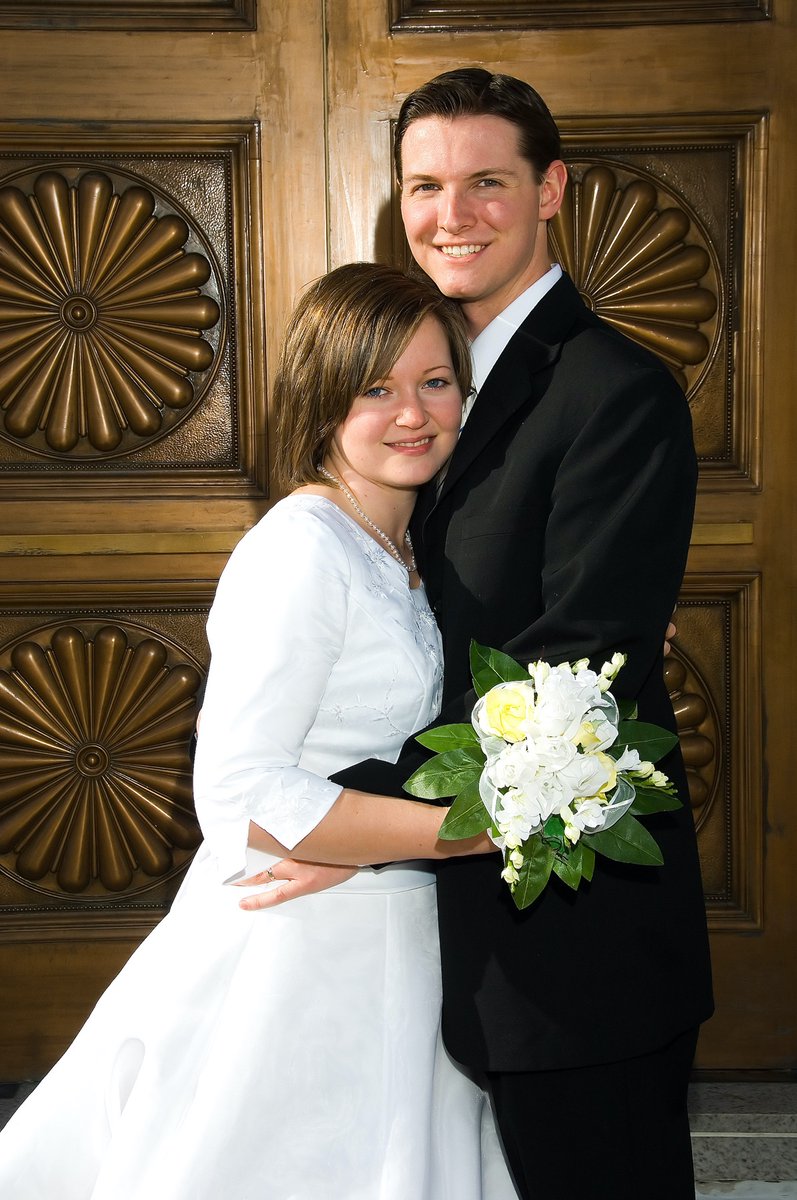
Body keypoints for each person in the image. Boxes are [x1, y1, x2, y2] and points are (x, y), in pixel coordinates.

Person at [249, 69, 714, 1200]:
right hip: (430, 931)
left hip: (573, 949)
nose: (448, 216)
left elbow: (570, 670)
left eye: (485, 183)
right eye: (423, 185)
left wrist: (344, 811)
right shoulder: (420, 389)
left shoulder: (614, 393)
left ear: (550, 189)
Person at [0, 263, 518, 1199]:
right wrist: (464, 833)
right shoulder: (299, 549)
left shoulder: (405, 538)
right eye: (375, 387)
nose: (412, 412)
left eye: (434, 382)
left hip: (394, 944)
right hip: (295, 958)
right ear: (322, 400)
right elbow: (241, 790)